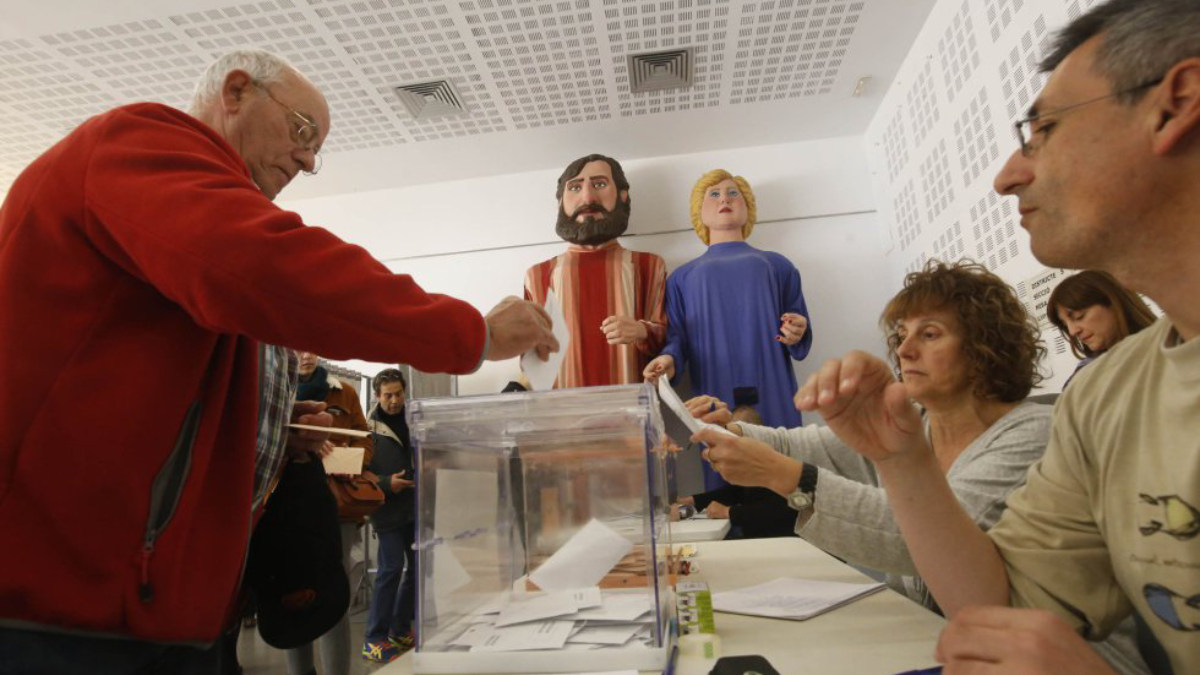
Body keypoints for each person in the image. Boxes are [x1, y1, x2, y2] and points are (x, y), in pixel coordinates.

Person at [0, 49, 556, 673]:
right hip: (70, 605)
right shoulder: (134, 141)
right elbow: (268, 268)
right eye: (301, 132)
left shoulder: (182, 221)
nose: (308, 160)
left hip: (160, 606)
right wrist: (470, 332)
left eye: (316, 149)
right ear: (235, 92)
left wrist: (270, 434)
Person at [794, 2, 1200, 673]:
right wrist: (903, 461)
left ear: (1175, 104)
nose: (1008, 174)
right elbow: (997, 603)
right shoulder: (1106, 393)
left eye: (1041, 130)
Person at [644, 169, 813, 490]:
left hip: (772, 382)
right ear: (700, 212)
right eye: (714, 194)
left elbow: (798, 323)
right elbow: (678, 337)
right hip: (715, 386)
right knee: (725, 468)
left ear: (747, 207)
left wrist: (797, 331)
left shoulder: (777, 265)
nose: (725, 199)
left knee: (784, 464)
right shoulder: (682, 279)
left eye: (733, 193)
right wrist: (668, 360)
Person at [524, 154, 667, 388]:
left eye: (599, 184)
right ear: (561, 201)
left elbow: (670, 342)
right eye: (575, 187)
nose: (588, 197)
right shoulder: (537, 277)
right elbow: (531, 361)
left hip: (633, 415)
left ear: (622, 196)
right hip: (562, 416)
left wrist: (641, 330)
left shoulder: (649, 267)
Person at [284, 353, 374, 675]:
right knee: (294, 594)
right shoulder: (278, 388)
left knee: (335, 594)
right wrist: (303, 444)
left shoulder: (344, 391)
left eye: (312, 346)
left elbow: (365, 439)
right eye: (297, 347)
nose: (306, 354)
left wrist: (350, 461)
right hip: (289, 507)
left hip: (338, 505)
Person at [361, 368, 418, 664]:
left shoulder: (416, 419)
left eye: (398, 394)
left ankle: (399, 629)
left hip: (416, 507)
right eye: (388, 395)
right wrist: (386, 484)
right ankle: (374, 638)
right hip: (387, 510)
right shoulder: (367, 428)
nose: (394, 401)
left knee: (419, 569)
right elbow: (358, 471)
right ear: (377, 395)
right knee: (390, 570)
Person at [1046, 270, 1156, 387]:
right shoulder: (1083, 376)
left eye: (1079, 316)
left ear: (1114, 303)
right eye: (1065, 324)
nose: (1073, 331)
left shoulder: (1168, 348)